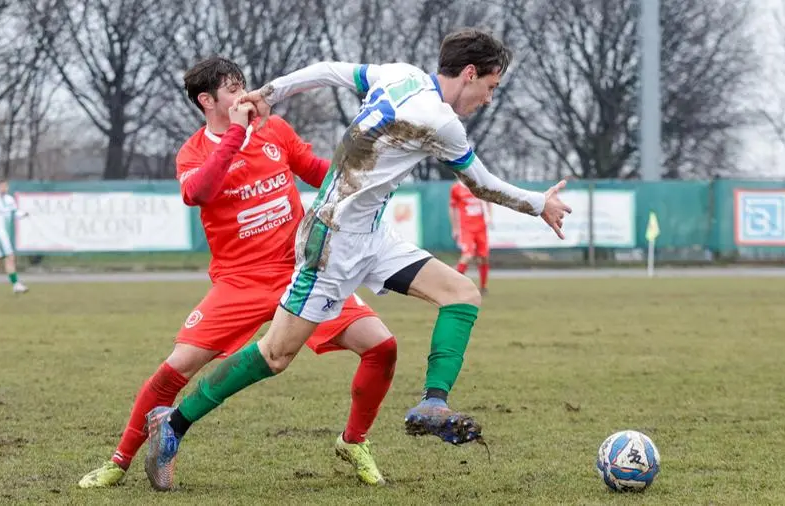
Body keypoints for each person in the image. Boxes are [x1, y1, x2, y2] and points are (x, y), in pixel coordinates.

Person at [145, 29, 571, 487]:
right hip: (330, 244)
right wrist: (538, 203)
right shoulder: (442, 122)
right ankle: (174, 423)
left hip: (372, 236)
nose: (488, 98)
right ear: (470, 74)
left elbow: (328, 71)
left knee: (462, 294)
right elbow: (481, 184)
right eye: (491, 86)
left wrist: (272, 92)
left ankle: (432, 403)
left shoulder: (399, 75)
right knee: (275, 353)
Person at [78, 56, 398, 491]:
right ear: (207, 100)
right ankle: (119, 462)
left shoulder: (275, 130)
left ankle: (353, 441)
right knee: (175, 369)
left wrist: (367, 176)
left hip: (300, 271)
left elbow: (316, 172)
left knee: (381, 346)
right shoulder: (194, 152)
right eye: (232, 89)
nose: (243, 94)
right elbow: (199, 192)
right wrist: (234, 134)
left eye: (244, 84)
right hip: (240, 281)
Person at [449, 180, 492, 294]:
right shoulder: (456, 188)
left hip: (481, 227)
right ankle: (453, 284)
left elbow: (488, 201)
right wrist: (455, 228)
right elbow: (452, 208)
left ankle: (483, 287)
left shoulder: (480, 184)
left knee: (484, 257)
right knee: (468, 255)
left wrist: (489, 216)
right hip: (466, 228)